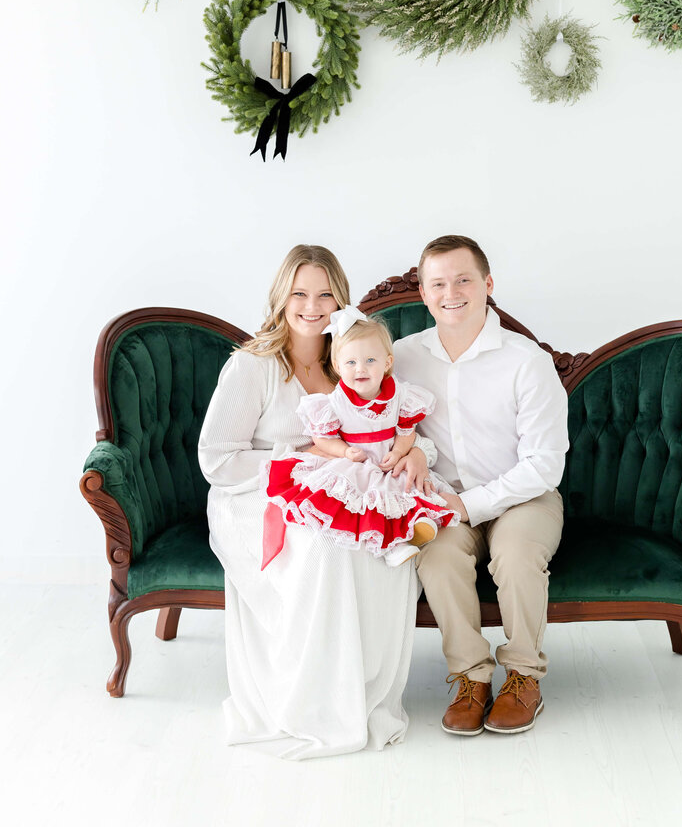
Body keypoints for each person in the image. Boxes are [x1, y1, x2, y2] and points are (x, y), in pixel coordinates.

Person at [198, 245, 435, 760]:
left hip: (345, 493)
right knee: (324, 548)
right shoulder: (253, 367)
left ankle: (361, 692)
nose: (312, 306)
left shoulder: (352, 362)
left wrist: (415, 449)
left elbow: (390, 431)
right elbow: (217, 460)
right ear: (282, 297)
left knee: (377, 545)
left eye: (325, 294)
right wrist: (301, 458)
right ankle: (311, 700)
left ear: (341, 302)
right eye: (300, 293)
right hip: (254, 494)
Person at [392, 234, 569, 737]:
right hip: (442, 504)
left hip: (525, 499)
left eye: (464, 279)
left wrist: (468, 504)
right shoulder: (401, 360)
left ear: (488, 285)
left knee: (514, 555)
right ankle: (471, 678)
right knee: (434, 553)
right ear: (423, 294)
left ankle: (524, 676)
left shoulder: (525, 360)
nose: (452, 293)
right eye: (438, 283)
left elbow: (545, 464)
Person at [262, 306, 459, 569]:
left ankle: (414, 529)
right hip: (356, 462)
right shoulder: (333, 402)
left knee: (404, 491)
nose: (360, 369)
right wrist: (344, 451)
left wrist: (400, 452)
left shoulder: (401, 395)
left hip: (388, 461)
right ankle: (392, 548)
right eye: (351, 363)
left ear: (387, 362)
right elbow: (323, 438)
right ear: (337, 365)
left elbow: (406, 431)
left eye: (370, 361)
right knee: (366, 502)